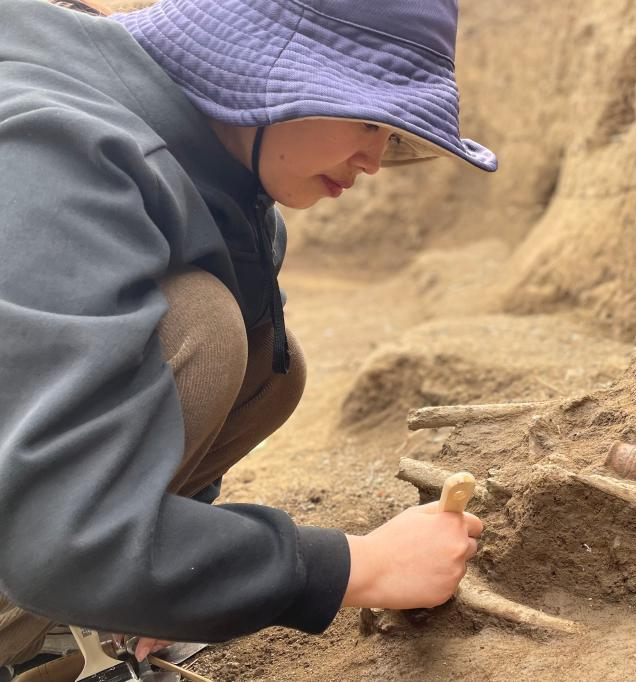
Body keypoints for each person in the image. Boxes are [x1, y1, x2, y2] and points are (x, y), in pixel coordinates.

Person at [0, 0, 497, 679]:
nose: (375, 159)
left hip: (39, 513)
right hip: (45, 528)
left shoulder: (223, 180)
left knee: (264, 361)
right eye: (365, 116)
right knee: (199, 325)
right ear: (270, 62)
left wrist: (171, 588)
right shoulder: (55, 153)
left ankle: (75, 610)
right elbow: (65, 536)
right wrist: (357, 565)